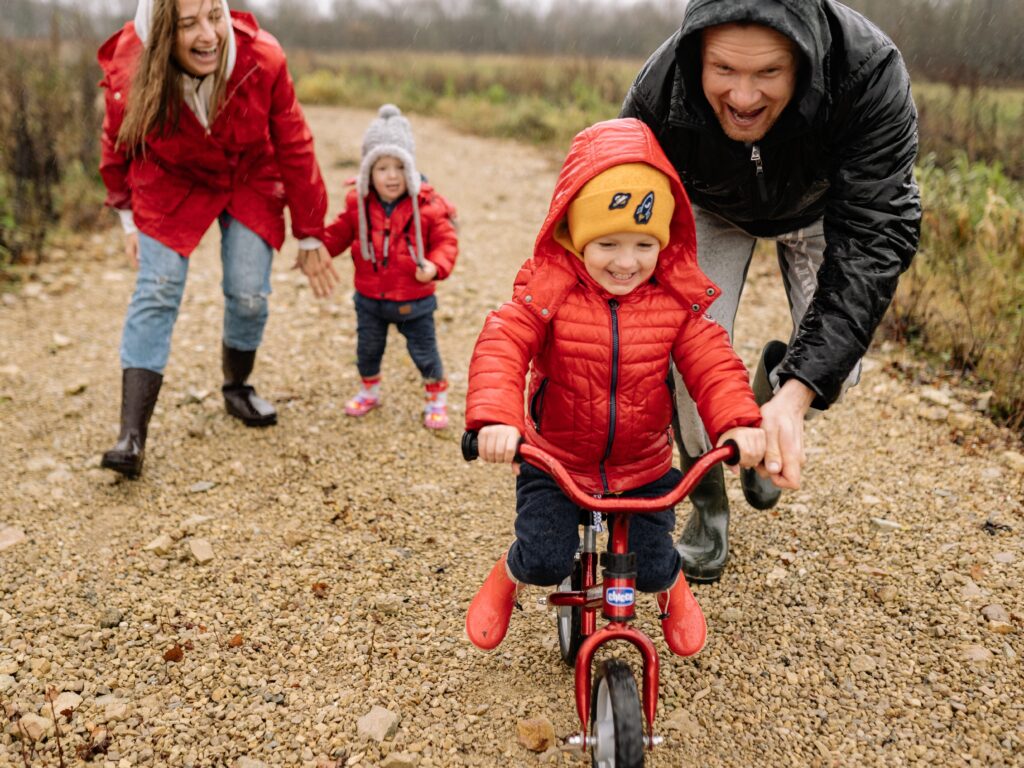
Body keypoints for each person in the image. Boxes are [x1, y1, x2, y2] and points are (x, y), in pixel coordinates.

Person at [620, 0, 921, 582]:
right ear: (697, 56)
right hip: (710, 205)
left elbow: (876, 237)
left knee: (839, 366)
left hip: (818, 206)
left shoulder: (870, 73)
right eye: (725, 71)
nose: (743, 97)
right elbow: (616, 207)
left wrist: (798, 392)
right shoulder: (660, 92)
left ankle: (768, 402)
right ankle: (706, 505)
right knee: (684, 358)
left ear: (805, 60)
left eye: (768, 74)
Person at [462, 118, 765, 655]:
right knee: (544, 556)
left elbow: (713, 361)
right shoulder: (549, 290)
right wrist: (496, 418)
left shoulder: (674, 302)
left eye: (644, 244)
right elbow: (504, 342)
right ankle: (508, 576)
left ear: (664, 239)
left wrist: (738, 420)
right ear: (575, 235)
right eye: (607, 243)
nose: (627, 263)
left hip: (642, 466)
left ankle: (671, 588)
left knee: (651, 564)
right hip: (555, 458)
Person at [97, 0, 337, 478]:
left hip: (246, 174)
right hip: (170, 179)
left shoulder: (262, 59)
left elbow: (294, 143)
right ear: (163, 34)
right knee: (158, 288)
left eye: (215, 16)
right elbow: (116, 142)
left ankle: (237, 387)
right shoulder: (131, 68)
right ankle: (131, 436)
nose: (209, 34)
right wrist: (127, 217)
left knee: (248, 294)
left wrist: (310, 233)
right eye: (188, 24)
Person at [320, 105, 459, 430]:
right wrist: (318, 248)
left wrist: (435, 266)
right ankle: (369, 390)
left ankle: (436, 396)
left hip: (415, 298)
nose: (392, 175)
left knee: (424, 351)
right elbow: (340, 232)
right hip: (369, 297)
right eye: (382, 167)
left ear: (411, 169)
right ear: (368, 171)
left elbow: (447, 242)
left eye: (400, 166)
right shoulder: (358, 203)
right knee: (367, 349)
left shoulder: (427, 206)